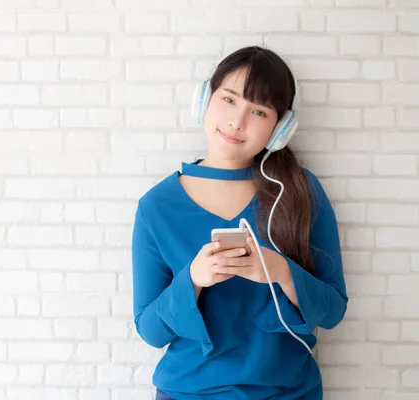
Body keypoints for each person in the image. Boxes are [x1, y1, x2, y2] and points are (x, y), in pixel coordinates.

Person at [131, 46, 348, 400]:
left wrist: (279, 270)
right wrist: (194, 279)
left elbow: (333, 310)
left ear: (280, 129)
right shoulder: (156, 206)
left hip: (289, 393)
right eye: (229, 100)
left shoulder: (300, 192)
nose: (237, 121)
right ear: (204, 100)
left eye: (258, 111)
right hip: (188, 392)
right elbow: (151, 331)